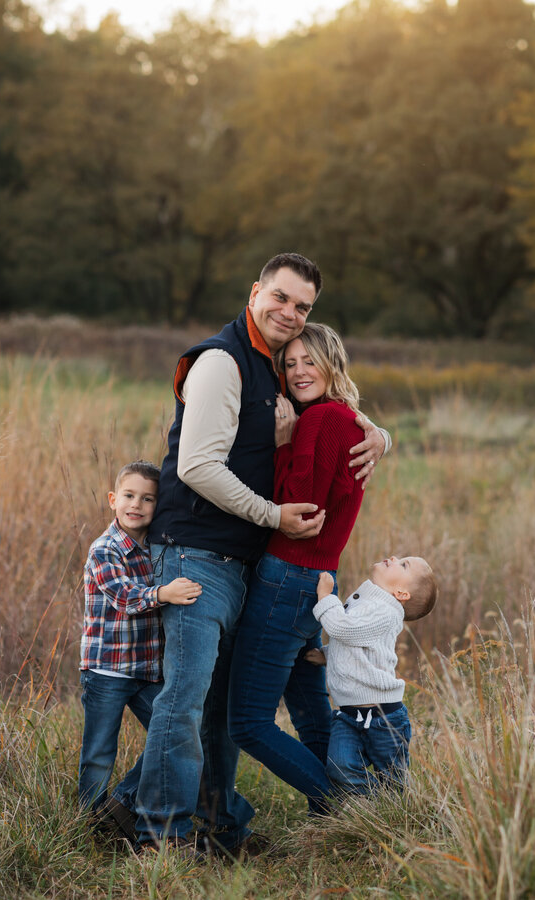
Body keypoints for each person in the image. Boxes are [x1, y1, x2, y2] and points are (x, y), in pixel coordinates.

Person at [134, 252, 389, 857]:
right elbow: (196, 467)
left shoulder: (276, 364)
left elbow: (327, 399)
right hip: (194, 553)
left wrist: (379, 432)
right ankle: (159, 837)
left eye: (303, 308)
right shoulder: (223, 362)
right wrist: (274, 516)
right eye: (281, 298)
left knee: (221, 709)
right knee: (188, 697)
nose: (290, 314)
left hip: (245, 565)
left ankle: (221, 831)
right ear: (255, 292)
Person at [227, 322, 367, 815]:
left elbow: (295, 509)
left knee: (246, 721)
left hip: (287, 577)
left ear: (332, 363)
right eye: (290, 364)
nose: (300, 371)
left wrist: (285, 440)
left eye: (310, 361)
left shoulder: (317, 422)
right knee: (310, 713)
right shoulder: (348, 419)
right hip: (317, 580)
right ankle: (334, 819)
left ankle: (346, 802)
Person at [77, 461, 202, 832]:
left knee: (172, 733)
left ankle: (122, 802)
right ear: (114, 500)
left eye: (148, 499)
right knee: (99, 753)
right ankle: (90, 824)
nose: (137, 505)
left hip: (148, 669)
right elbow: (124, 597)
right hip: (107, 669)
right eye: (129, 496)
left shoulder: (160, 548)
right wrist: (164, 593)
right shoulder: (105, 549)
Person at [311, 555, 437, 796]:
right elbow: (359, 646)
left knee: (394, 778)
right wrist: (328, 655)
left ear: (401, 593)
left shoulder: (386, 612)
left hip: (384, 717)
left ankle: (398, 810)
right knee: (339, 767)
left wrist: (326, 598)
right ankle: (376, 805)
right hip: (348, 716)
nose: (394, 557)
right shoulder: (368, 602)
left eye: (403, 564)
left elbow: (344, 629)